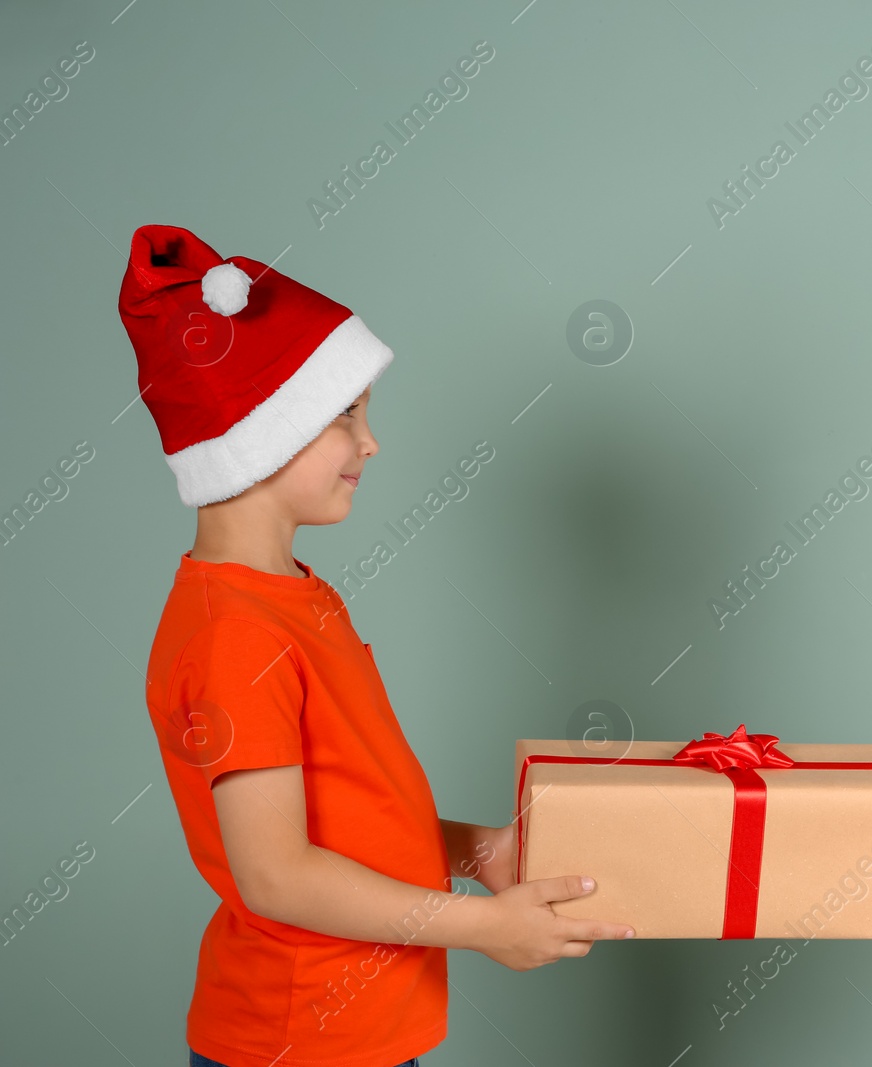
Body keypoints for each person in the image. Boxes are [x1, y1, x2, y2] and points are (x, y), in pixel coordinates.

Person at [120, 224, 634, 1067]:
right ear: (261, 429)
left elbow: (350, 819)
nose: (371, 441)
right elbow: (277, 875)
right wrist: (482, 927)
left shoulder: (294, 596)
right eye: (344, 415)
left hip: (364, 1032)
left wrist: (479, 851)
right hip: (300, 1040)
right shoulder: (233, 634)